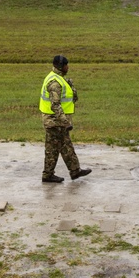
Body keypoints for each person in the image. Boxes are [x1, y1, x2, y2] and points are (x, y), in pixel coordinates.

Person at [39, 55, 91, 183]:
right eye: (67, 64)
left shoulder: (59, 78)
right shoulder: (55, 83)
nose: (69, 67)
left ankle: (72, 171)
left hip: (55, 121)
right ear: (62, 66)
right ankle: (53, 174)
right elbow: (55, 105)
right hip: (54, 121)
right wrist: (65, 121)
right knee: (58, 147)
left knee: (61, 146)